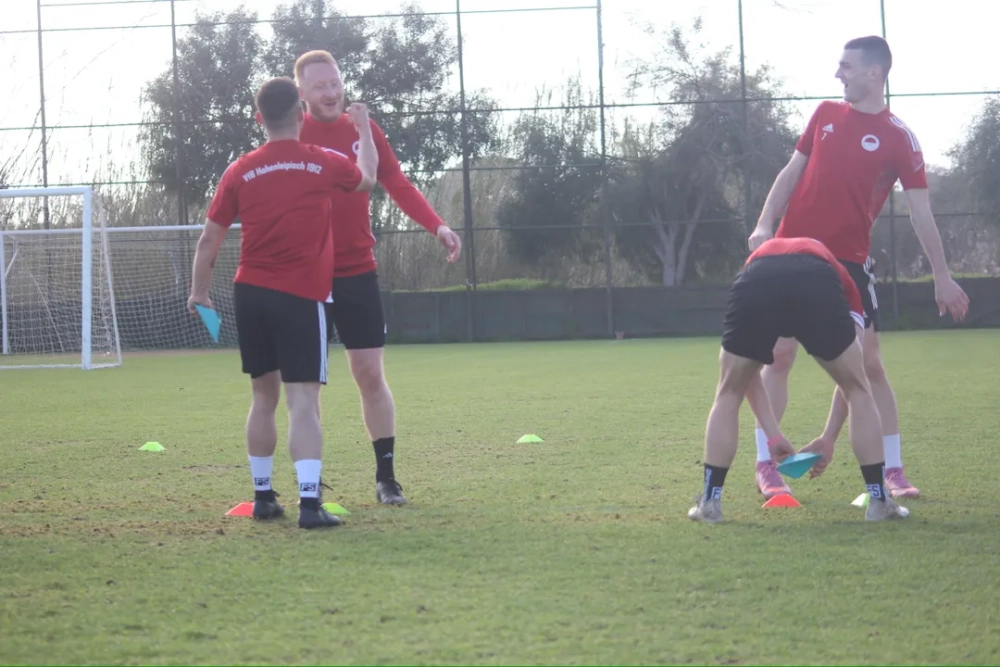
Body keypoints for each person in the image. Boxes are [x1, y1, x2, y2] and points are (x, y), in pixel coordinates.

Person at [746, 36, 970, 500]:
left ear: (874, 72)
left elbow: (920, 212)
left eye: (846, 66)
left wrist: (942, 274)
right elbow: (791, 172)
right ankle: (767, 464)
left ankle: (892, 471)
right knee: (779, 356)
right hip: (791, 251)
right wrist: (764, 224)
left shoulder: (899, 137)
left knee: (867, 365)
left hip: (848, 262)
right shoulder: (825, 115)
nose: (838, 75)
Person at [187, 76, 378, 529]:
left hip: (250, 293)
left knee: (262, 397)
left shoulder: (239, 170)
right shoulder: (322, 160)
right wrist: (364, 130)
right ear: (300, 115)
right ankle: (309, 505)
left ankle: (262, 497)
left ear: (259, 118)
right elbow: (368, 180)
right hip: (302, 295)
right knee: (303, 401)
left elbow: (209, 239)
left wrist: (199, 292)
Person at [293, 49, 463, 507]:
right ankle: (310, 482)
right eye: (320, 86)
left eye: (335, 82)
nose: (331, 92)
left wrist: (438, 226)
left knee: (369, 374)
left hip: (356, 271)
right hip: (306, 276)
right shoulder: (293, 133)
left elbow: (398, 183)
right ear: (302, 92)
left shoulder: (363, 130)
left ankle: (387, 478)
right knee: (306, 384)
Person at [689, 237, 910, 524]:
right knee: (859, 389)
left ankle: (709, 505)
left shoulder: (758, 262)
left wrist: (774, 436)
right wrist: (828, 437)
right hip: (814, 278)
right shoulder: (845, 281)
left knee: (729, 391)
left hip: (757, 276)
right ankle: (879, 502)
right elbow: (853, 380)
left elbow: (748, 377)